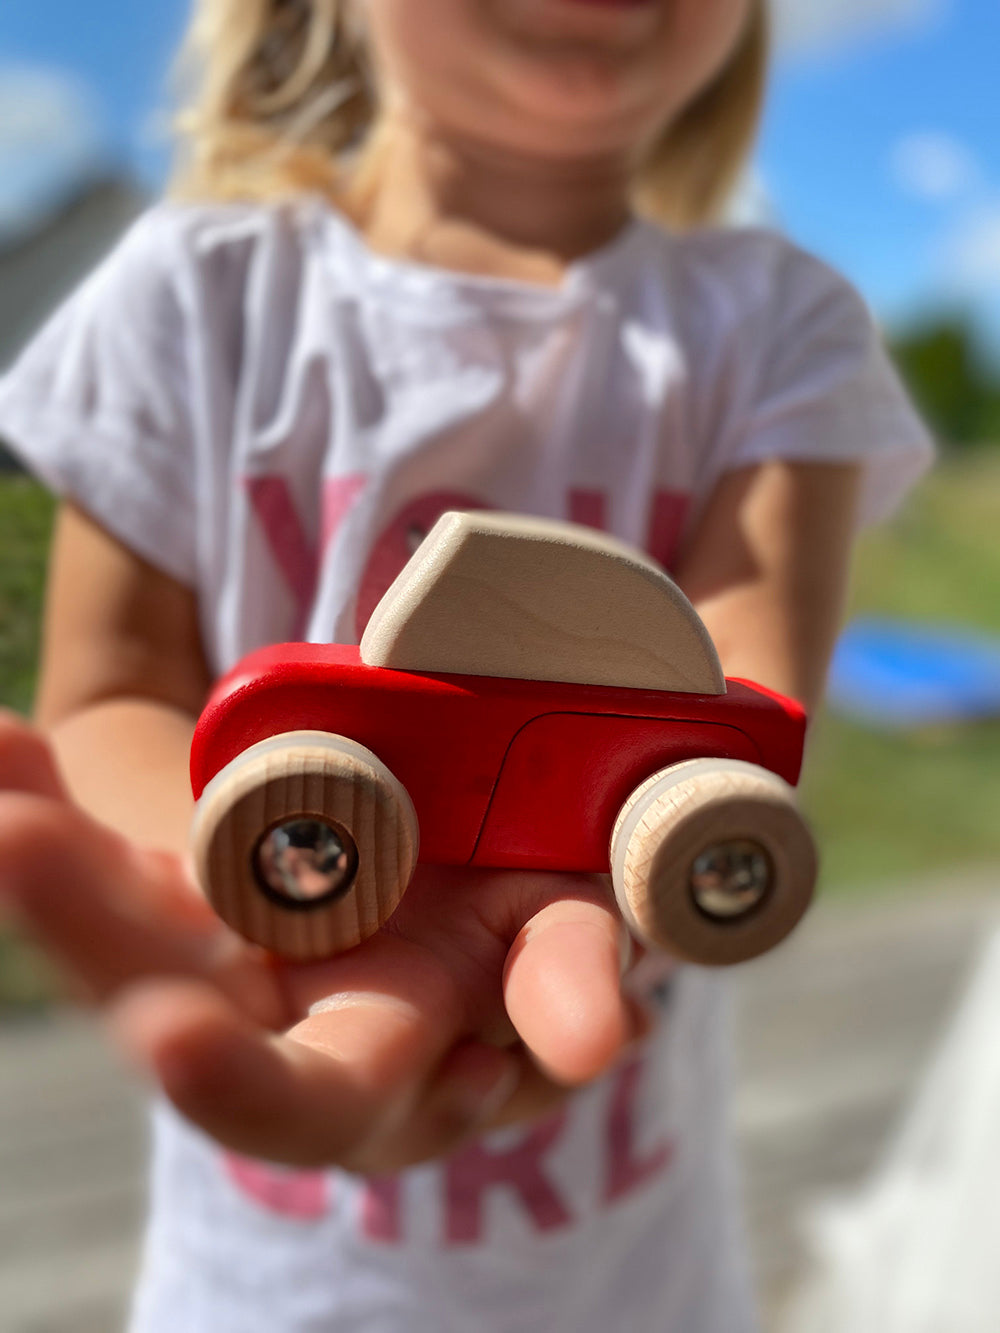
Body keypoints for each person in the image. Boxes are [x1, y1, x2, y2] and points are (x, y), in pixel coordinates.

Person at [0, 1, 933, 1329]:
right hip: (264, 1282)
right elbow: (107, 695)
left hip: (632, 1274)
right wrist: (262, 912)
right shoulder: (187, 296)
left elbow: (736, 705)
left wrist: (608, 915)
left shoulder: (778, 327)